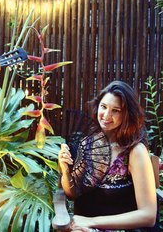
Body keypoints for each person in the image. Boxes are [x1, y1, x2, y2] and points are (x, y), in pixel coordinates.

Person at [58, 81, 157, 231]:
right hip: (85, 227)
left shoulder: (135, 151)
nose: (106, 115)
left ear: (126, 114)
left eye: (116, 110)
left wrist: (92, 222)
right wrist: (65, 170)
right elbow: (72, 194)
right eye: (103, 107)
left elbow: (148, 216)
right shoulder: (88, 143)